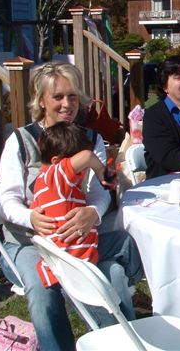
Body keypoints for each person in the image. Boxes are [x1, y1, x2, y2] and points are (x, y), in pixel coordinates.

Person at [0, 62, 143, 350]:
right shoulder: (21, 141)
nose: (67, 104)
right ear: (41, 101)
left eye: (72, 96)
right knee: (43, 290)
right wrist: (30, 217)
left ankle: (120, 342)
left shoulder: (90, 138)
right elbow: (7, 199)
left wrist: (93, 212)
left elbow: (99, 191)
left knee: (126, 251)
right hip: (29, 242)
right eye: (58, 97)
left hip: (77, 238)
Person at [33, 122, 111, 287]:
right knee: (125, 245)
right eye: (81, 169)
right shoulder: (56, 176)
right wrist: (101, 173)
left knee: (123, 243)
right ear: (56, 161)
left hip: (67, 264)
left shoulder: (42, 184)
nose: (84, 173)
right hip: (78, 270)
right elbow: (88, 156)